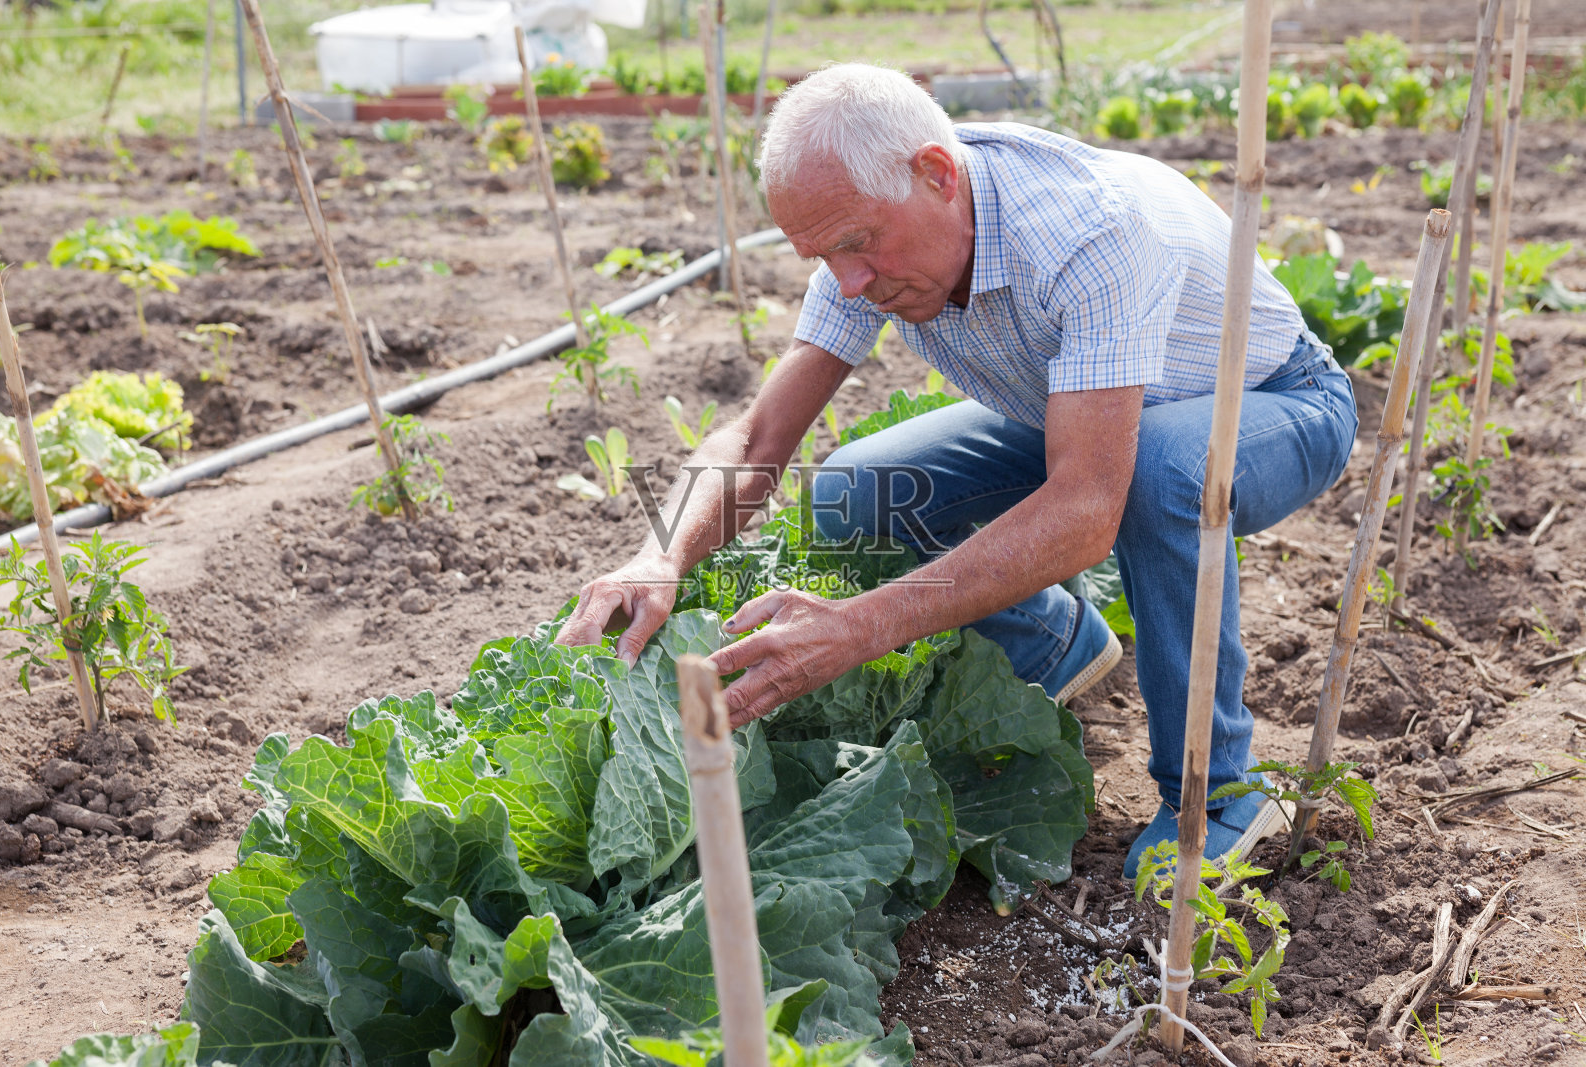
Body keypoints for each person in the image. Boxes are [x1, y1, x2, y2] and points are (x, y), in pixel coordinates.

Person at [558, 63, 1358, 877]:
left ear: (937, 175)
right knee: (854, 490)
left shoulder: (1089, 235)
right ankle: (1054, 646)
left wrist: (859, 625)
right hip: (1078, 408)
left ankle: (1218, 794)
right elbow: (761, 435)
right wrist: (661, 553)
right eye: (822, 257)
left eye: (855, 245)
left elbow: (1087, 509)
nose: (848, 283)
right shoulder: (868, 230)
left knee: (1157, 472)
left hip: (1274, 402)